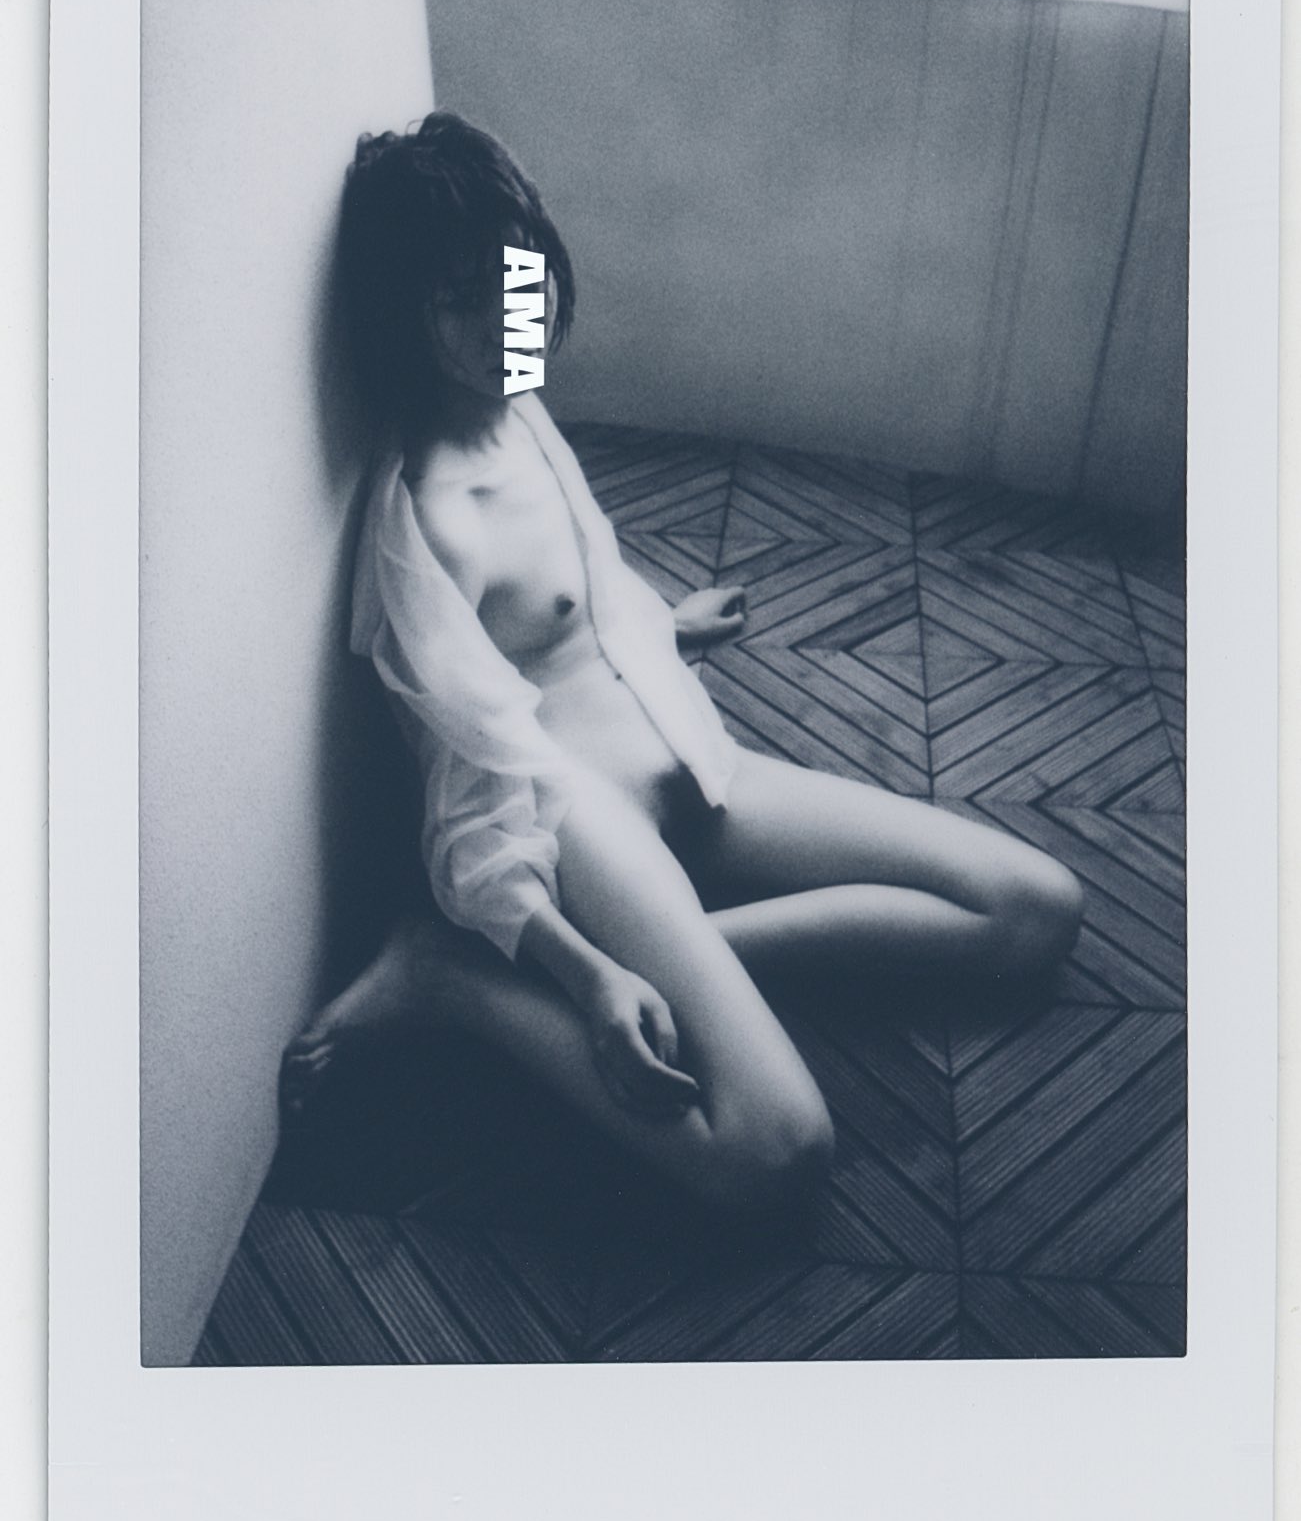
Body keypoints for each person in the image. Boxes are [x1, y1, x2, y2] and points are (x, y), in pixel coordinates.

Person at [282, 111, 1084, 1214]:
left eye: (520, 274)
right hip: (583, 819)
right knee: (774, 1152)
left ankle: (686, 959)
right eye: (464, 298)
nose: (514, 315)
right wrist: (586, 975)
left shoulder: (516, 408)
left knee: (1033, 908)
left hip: (689, 749)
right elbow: (469, 800)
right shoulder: (432, 521)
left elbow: (578, 583)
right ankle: (456, 980)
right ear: (400, 319)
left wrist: (661, 625)